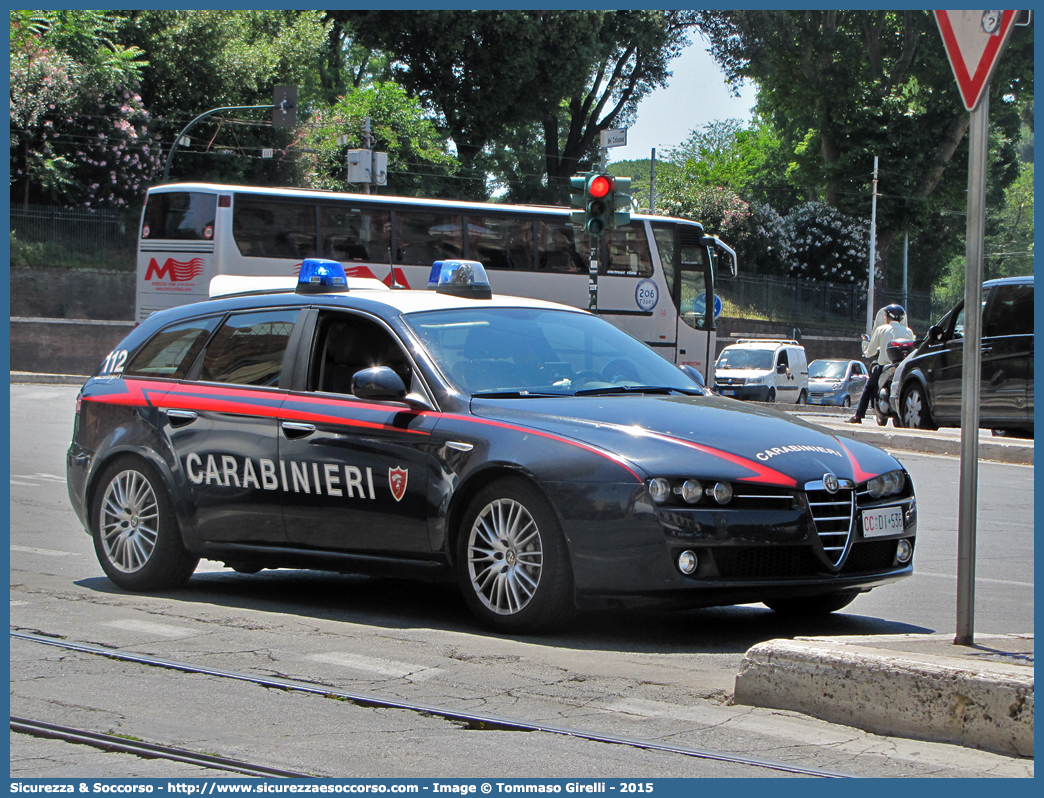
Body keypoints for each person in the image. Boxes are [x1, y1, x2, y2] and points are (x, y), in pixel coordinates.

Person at [846, 304, 910, 423]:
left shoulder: (882, 329)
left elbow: (871, 351)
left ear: (887, 317)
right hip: (902, 367)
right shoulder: (908, 332)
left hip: (884, 366)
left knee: (869, 387)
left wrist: (866, 348)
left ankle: (858, 416)